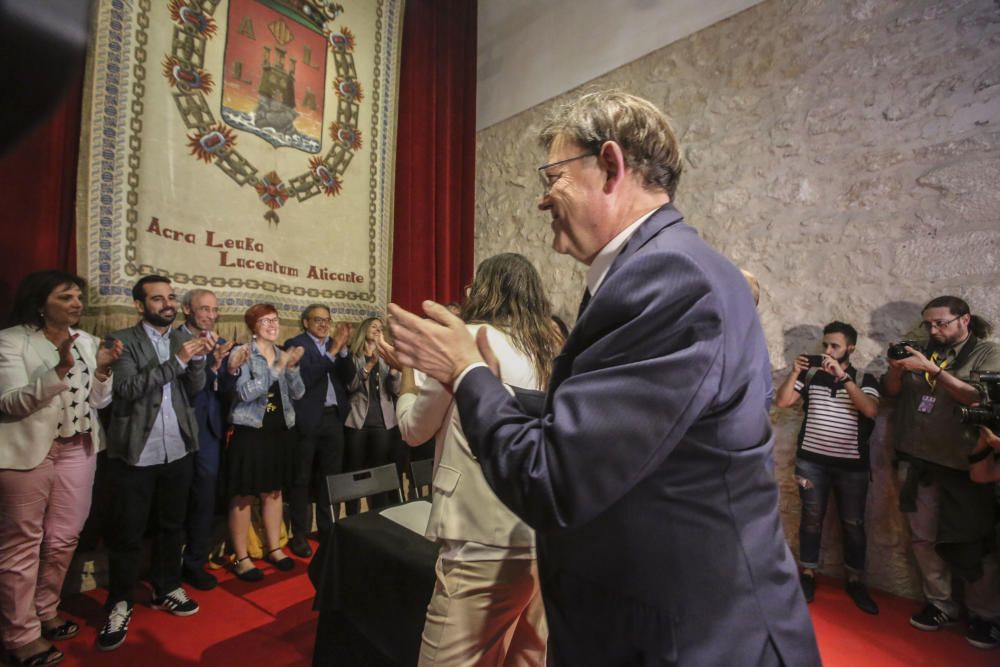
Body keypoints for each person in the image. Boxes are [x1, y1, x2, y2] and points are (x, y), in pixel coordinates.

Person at [387, 90, 820, 665]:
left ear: (611, 166)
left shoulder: (668, 276)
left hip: (689, 634)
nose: (542, 200)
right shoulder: (659, 267)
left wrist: (465, 370)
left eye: (553, 176)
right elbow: (601, 419)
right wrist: (485, 377)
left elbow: (556, 479)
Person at [390, 253, 558, 666]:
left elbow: (415, 430)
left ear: (484, 288)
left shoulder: (470, 339)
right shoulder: (551, 348)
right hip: (543, 535)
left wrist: (408, 375)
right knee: (527, 658)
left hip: (481, 535)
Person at [0, 270, 122, 667]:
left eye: (78, 297)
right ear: (40, 303)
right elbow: (11, 403)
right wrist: (58, 370)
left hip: (79, 448)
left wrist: (102, 371)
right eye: (66, 297)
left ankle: (46, 611)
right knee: (22, 545)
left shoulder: (86, 341)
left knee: (65, 537)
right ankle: (20, 636)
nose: (76, 304)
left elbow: (99, 402)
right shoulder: (11, 341)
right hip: (28, 452)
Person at [99, 275, 213, 651]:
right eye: (157, 298)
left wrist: (196, 361)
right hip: (136, 453)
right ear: (139, 305)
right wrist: (179, 360)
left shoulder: (181, 338)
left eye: (170, 297)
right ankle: (120, 601)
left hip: (177, 449)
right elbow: (127, 390)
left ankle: (167, 586)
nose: (166, 304)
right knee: (128, 532)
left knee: (171, 525)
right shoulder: (121, 341)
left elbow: (193, 389)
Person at [883, 296, 1000, 649]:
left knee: (974, 545)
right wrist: (896, 368)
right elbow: (892, 394)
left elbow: (978, 398)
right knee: (923, 541)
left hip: (967, 465)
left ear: (964, 320)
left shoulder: (987, 353)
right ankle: (940, 604)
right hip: (920, 462)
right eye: (928, 325)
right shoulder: (921, 350)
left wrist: (933, 371)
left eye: (941, 323)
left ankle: (985, 614)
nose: (933, 331)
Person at [774, 321, 880, 614]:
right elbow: (783, 402)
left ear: (851, 348)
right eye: (825, 345)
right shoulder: (810, 375)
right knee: (810, 519)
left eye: (834, 346)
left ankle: (856, 581)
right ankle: (808, 574)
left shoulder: (864, 377)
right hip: (812, 462)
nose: (828, 351)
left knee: (854, 524)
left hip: (852, 467)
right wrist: (796, 371)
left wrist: (844, 377)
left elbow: (871, 410)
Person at [223, 304, 305, 581]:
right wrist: (276, 369)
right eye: (265, 321)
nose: (272, 325)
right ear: (253, 326)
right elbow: (245, 393)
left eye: (275, 320)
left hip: (279, 432)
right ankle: (243, 557)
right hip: (251, 432)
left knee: (274, 492)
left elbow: (299, 392)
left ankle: (274, 548)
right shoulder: (243, 353)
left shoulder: (283, 352)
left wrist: (291, 369)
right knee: (244, 495)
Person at [284, 305, 353, 555]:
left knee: (330, 478)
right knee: (301, 479)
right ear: (305, 323)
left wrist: (343, 351)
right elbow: (306, 378)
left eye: (327, 320)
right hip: (308, 420)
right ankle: (299, 535)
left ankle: (327, 528)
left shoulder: (334, 344)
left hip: (333, 419)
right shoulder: (296, 343)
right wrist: (332, 353)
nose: (324, 325)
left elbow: (349, 377)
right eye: (318, 320)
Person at [178, 289, 234, 591]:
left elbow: (228, 390)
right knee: (174, 500)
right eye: (204, 309)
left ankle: (195, 562)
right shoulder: (171, 340)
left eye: (214, 310)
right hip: (175, 430)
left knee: (204, 499)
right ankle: (168, 564)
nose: (211, 316)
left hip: (209, 431)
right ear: (187, 309)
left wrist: (223, 367)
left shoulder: (222, 344)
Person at [343, 317, 402, 512]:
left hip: (383, 423)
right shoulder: (353, 355)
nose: (377, 329)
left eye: (380, 327)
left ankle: (378, 514)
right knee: (356, 473)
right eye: (373, 326)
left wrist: (394, 373)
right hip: (357, 421)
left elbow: (396, 390)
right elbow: (349, 386)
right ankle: (353, 517)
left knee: (379, 473)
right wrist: (367, 366)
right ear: (364, 330)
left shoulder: (387, 356)